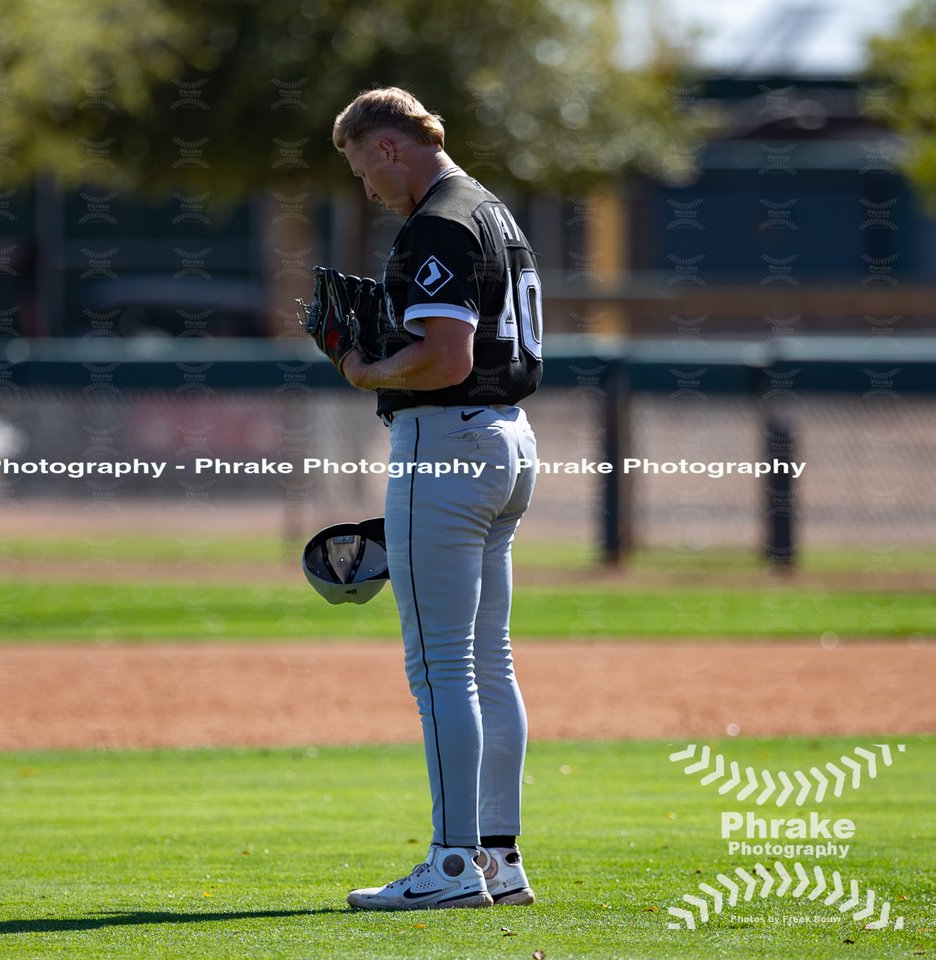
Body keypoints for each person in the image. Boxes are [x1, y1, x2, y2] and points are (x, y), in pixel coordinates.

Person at [331, 87, 544, 910]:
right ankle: (499, 857)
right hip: (506, 440)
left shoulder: (439, 221)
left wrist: (369, 369)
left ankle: (455, 865)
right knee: (489, 663)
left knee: (441, 666)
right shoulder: (491, 209)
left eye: (360, 165)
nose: (365, 186)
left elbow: (446, 358)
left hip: (446, 441)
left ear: (388, 146)